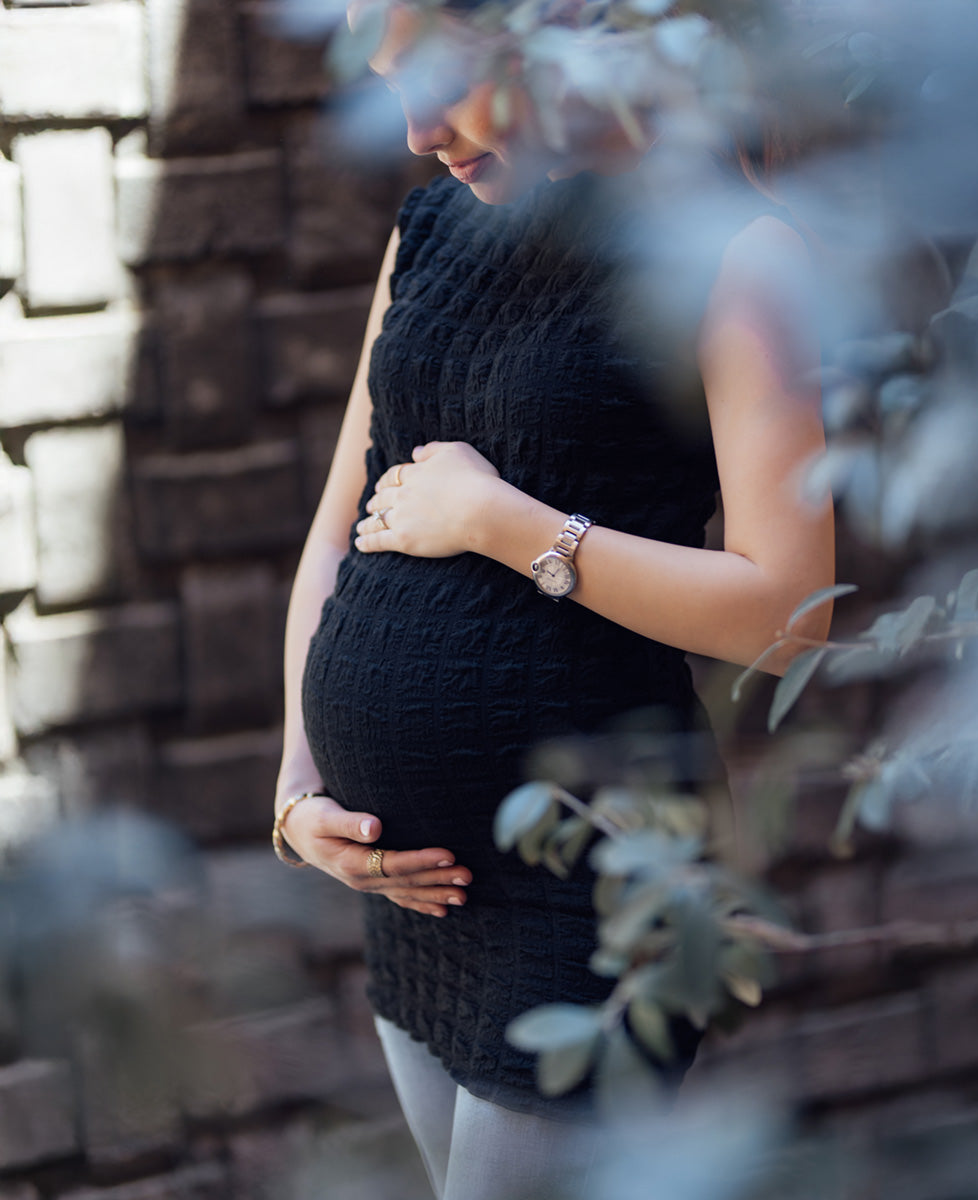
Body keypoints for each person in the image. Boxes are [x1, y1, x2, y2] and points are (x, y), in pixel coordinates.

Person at [272, 3, 835, 1196]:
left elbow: (791, 611)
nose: (417, 131)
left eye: (436, 78)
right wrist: (297, 791)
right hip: (416, 892)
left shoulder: (730, 254)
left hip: (590, 877)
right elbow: (335, 532)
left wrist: (505, 525)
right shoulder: (427, 233)